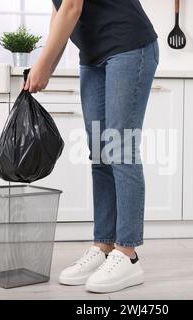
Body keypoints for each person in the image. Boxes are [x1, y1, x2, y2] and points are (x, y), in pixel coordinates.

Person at [24, 0, 158, 293]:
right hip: (93, 55)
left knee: (120, 150)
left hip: (128, 47)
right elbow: (59, 12)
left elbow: (73, 6)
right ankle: (105, 245)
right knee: (100, 154)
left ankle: (128, 253)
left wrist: (43, 65)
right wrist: (49, 64)